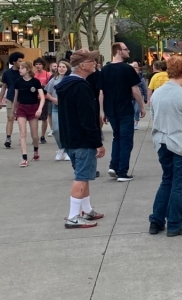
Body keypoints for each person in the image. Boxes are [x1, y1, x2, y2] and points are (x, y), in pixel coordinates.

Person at [148, 55, 182, 237]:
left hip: (162, 141)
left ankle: (156, 221)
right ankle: (175, 223)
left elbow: (153, 116)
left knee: (167, 180)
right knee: (179, 184)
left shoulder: (157, 93)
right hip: (181, 143)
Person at [56, 49, 106, 229]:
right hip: (83, 139)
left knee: (83, 176)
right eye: (92, 61)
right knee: (81, 176)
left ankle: (87, 209)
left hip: (69, 138)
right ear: (83, 65)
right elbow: (87, 118)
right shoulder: (81, 87)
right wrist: (98, 142)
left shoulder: (65, 85)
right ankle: (73, 216)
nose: (95, 64)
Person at [101, 42, 146, 181]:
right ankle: (122, 171)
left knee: (117, 137)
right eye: (126, 49)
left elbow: (101, 93)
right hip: (125, 108)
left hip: (111, 109)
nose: (129, 51)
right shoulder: (128, 69)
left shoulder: (105, 69)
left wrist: (102, 111)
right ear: (119, 51)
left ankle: (113, 165)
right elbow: (135, 90)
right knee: (126, 140)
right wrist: (142, 107)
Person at [13, 58, 45, 166]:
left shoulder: (35, 82)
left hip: (33, 108)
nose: (20, 70)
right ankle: (24, 157)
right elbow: (16, 97)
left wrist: (40, 109)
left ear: (27, 69)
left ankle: (36, 150)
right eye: (19, 68)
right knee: (22, 134)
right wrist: (14, 110)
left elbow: (42, 97)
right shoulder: (18, 82)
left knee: (34, 135)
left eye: (22, 68)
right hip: (21, 108)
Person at [46, 59, 72, 161]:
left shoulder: (70, 79)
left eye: (63, 67)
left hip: (67, 108)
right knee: (56, 130)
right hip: (56, 108)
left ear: (67, 68)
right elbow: (47, 93)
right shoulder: (54, 80)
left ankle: (66, 150)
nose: (61, 69)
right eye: (59, 67)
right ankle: (61, 148)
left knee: (66, 130)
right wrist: (53, 99)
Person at [0, 51, 25, 149]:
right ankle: (8, 138)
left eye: (22, 61)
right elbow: (4, 86)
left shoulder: (23, 71)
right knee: (10, 118)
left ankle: (22, 137)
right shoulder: (7, 73)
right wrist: (0, 100)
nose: (21, 63)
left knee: (22, 119)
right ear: (14, 62)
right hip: (10, 98)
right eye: (19, 61)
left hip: (22, 98)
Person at [33, 58, 52, 143]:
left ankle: (43, 136)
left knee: (44, 118)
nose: (38, 66)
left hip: (44, 98)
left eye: (40, 64)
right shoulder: (33, 74)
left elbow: (50, 86)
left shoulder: (47, 74)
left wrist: (43, 86)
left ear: (43, 65)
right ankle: (35, 136)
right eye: (36, 64)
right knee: (34, 118)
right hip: (34, 98)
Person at [131, 61, 149, 130]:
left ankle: (136, 122)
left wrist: (145, 98)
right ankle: (132, 122)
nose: (135, 70)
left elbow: (144, 89)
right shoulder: (128, 78)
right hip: (130, 97)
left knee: (137, 110)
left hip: (138, 97)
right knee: (131, 110)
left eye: (136, 69)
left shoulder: (141, 79)